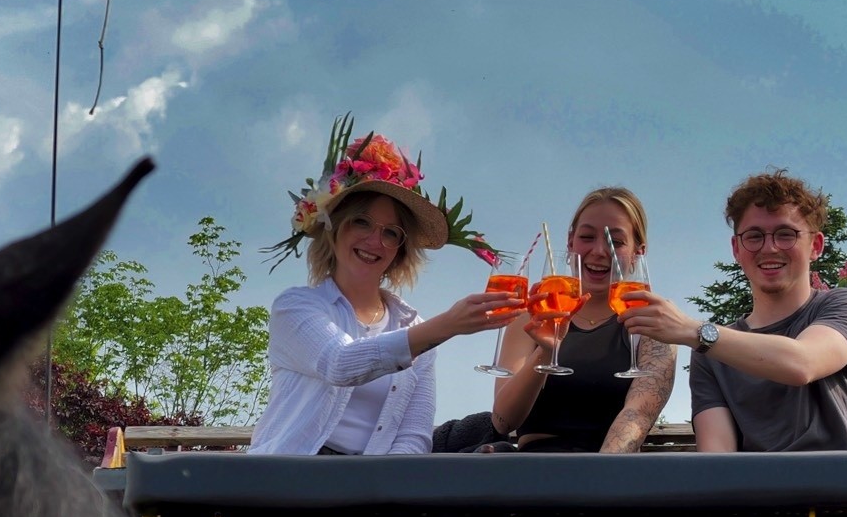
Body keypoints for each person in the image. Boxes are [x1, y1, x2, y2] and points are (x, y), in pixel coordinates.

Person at [250, 114, 517, 455]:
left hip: (368, 489)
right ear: (333, 231)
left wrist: (382, 493)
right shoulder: (297, 307)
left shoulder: (413, 326)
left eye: (390, 232)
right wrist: (448, 326)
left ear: (400, 250)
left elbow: (415, 435)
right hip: (290, 480)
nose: (374, 241)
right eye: (361, 222)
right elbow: (340, 363)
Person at [620, 171, 847, 452]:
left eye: (786, 234)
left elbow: (802, 364)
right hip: (751, 494)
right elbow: (718, 459)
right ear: (736, 249)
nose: (770, 248)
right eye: (753, 236)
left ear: (815, 245)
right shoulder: (710, 355)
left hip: (836, 494)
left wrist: (694, 331)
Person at [489, 188, 675, 453]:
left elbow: (639, 414)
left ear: (638, 253)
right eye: (587, 237)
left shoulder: (653, 320)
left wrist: (595, 483)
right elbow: (503, 421)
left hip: (610, 474)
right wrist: (545, 352)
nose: (599, 250)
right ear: (570, 242)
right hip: (532, 474)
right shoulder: (530, 317)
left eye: (617, 241)